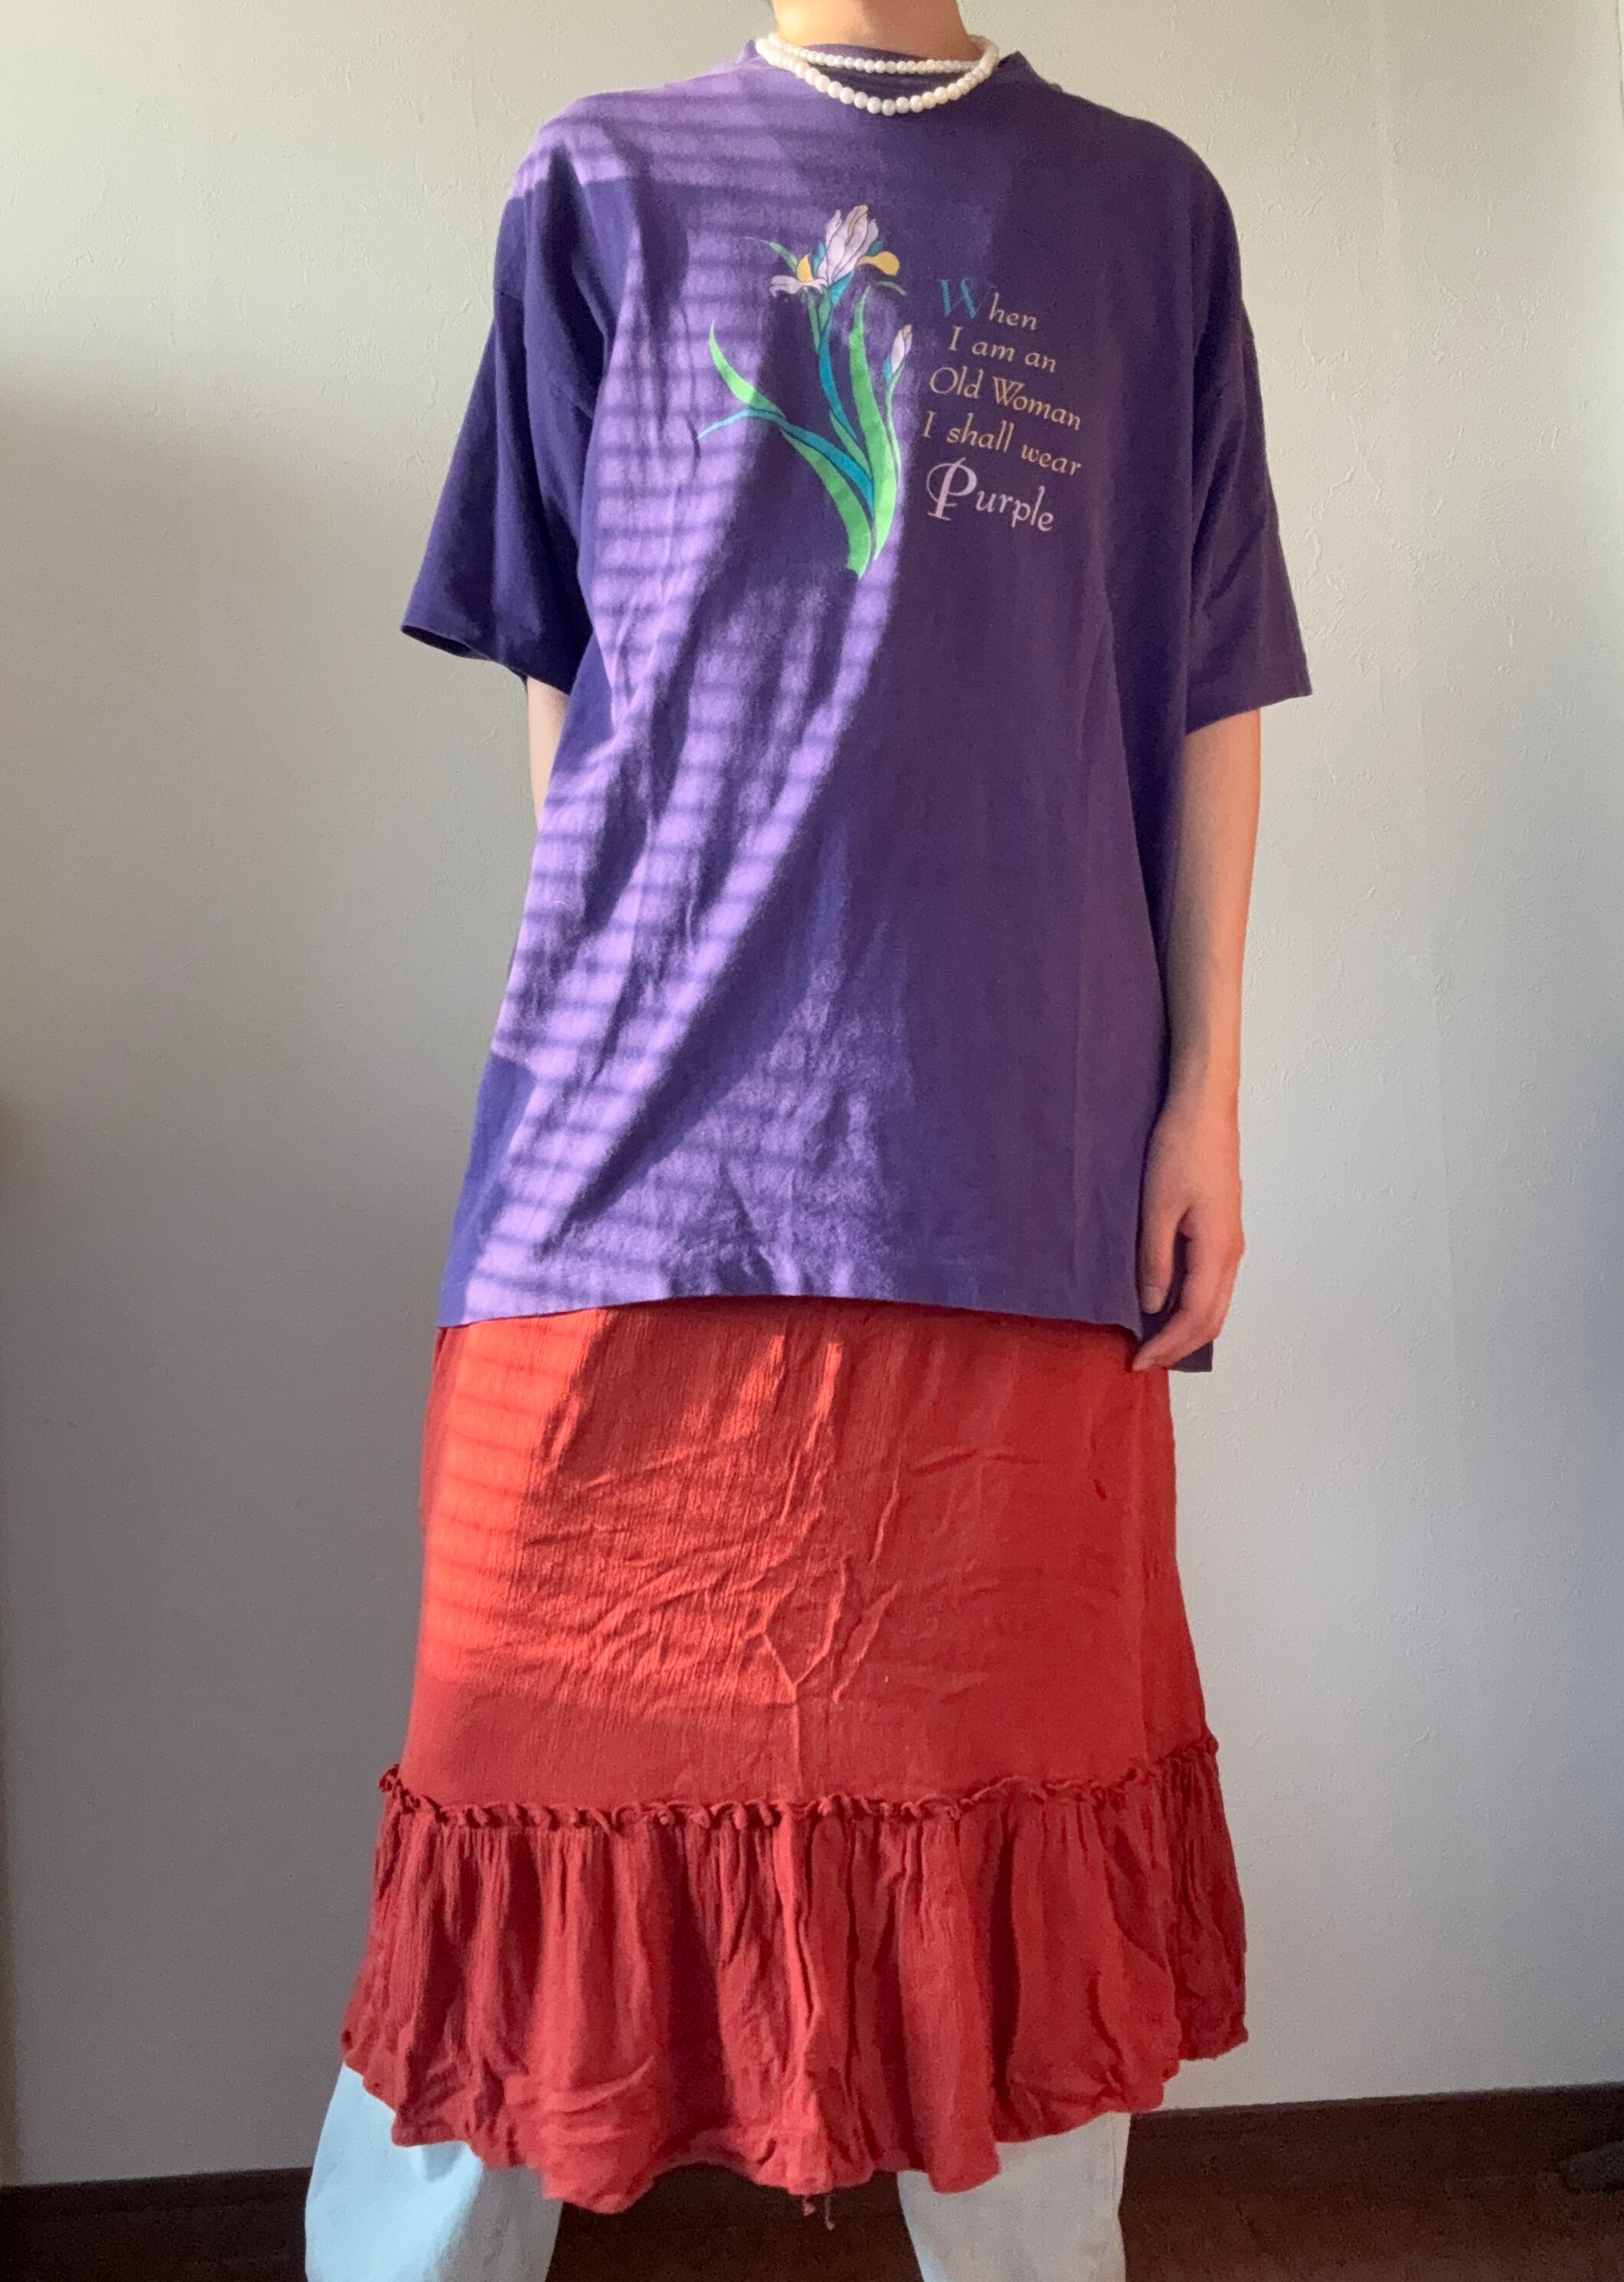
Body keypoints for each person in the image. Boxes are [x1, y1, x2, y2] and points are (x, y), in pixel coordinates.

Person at [305, 2, 1313, 2274]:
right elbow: (569, 687)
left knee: (1010, 1881)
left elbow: (1206, 687)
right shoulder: (603, 183)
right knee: (504, 1849)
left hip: (1015, 1147)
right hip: (625, 1169)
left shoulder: (1145, 213)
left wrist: (1205, 1097)